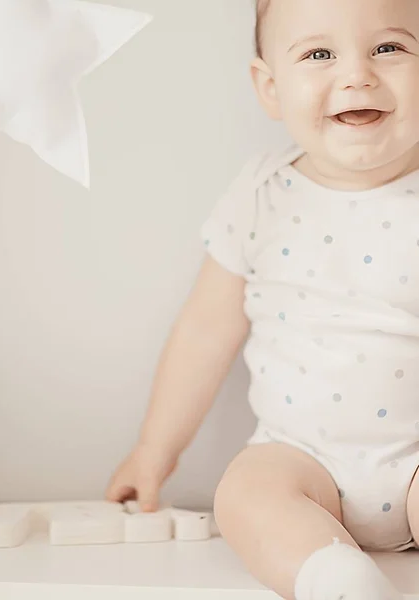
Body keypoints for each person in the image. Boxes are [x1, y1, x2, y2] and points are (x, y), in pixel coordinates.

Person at [106, 1, 419, 598]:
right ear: (271, 87)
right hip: (300, 461)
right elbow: (204, 332)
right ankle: (335, 579)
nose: (357, 75)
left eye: (389, 48)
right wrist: (154, 448)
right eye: (319, 54)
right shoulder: (260, 194)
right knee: (245, 493)